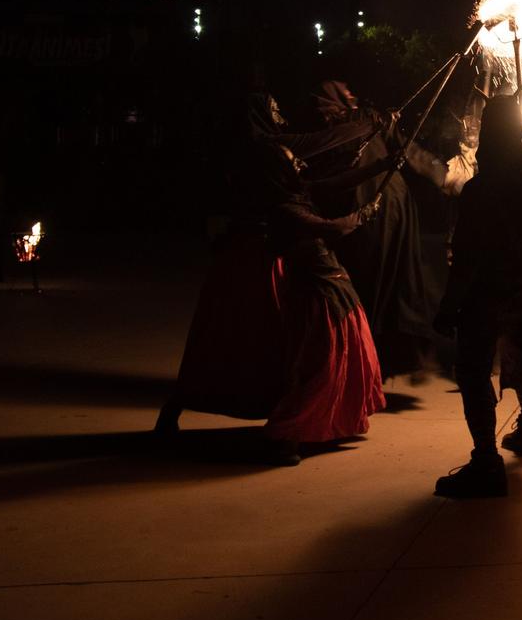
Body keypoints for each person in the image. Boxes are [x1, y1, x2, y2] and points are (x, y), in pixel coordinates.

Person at [158, 96, 389, 464]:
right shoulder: (266, 150)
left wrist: (375, 165)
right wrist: (371, 124)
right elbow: (316, 156)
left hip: (255, 251)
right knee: (247, 341)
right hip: (260, 256)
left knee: (237, 342)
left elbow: (313, 183)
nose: (281, 114)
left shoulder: (264, 153)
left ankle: (187, 412)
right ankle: (289, 426)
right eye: (274, 109)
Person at [431, 95, 522, 498]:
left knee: (472, 370)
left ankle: (486, 460)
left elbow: (468, 256)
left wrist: (449, 306)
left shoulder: (483, 187)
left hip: (488, 293)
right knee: (521, 355)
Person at [310, 80, 435, 381]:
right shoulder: (359, 124)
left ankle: (370, 359)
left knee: (376, 281)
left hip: (380, 208)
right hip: (374, 206)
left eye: (325, 105)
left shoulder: (369, 121)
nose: (321, 112)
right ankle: (366, 357)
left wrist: (441, 173)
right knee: (373, 283)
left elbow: (408, 149)